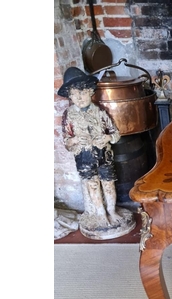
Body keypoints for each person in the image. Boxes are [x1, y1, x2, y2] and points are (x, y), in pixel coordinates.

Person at [58, 67, 134, 238]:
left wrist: (107, 139)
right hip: (84, 156)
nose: (80, 97)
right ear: (70, 96)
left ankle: (112, 211)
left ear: (90, 92)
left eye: (83, 93)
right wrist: (75, 140)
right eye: (75, 94)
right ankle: (100, 214)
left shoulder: (100, 112)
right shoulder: (69, 116)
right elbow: (67, 141)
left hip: (103, 155)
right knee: (92, 184)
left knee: (108, 182)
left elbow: (115, 133)